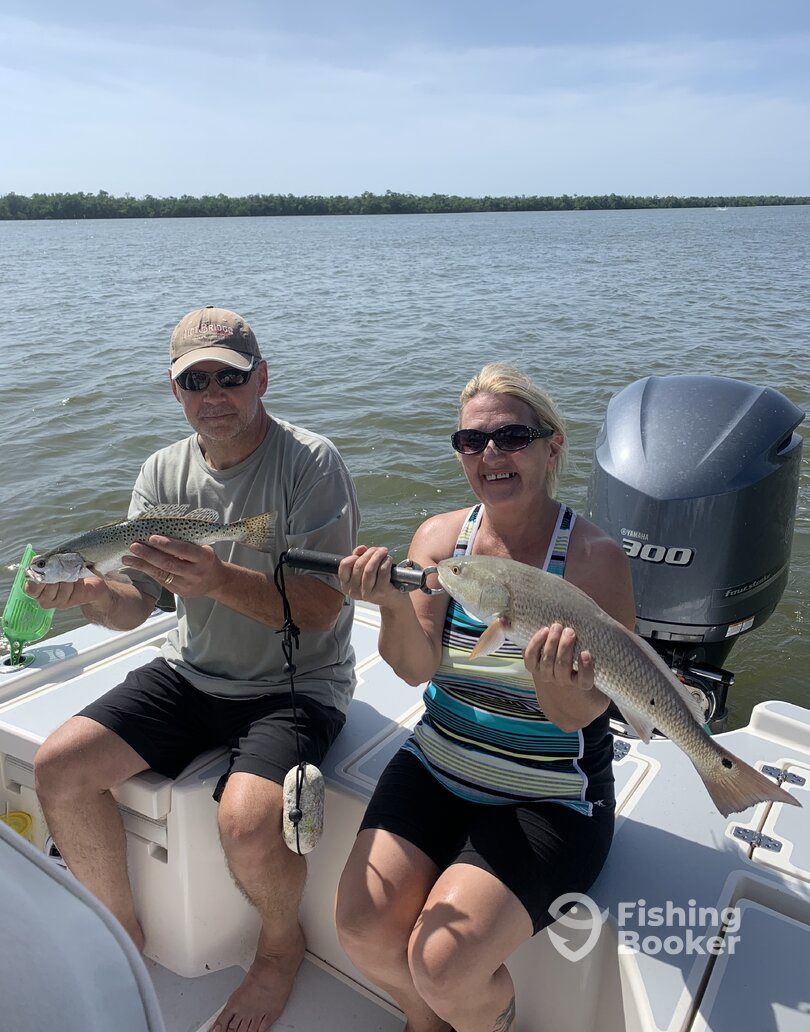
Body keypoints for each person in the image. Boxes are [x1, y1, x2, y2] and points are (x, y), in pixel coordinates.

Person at [27, 306, 359, 1032]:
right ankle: (122, 936)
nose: (214, 395)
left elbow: (321, 609)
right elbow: (134, 607)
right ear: (174, 390)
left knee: (247, 821)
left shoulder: (312, 463)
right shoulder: (160, 472)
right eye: (195, 381)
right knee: (59, 766)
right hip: (191, 671)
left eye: (230, 378)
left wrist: (217, 581)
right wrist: (90, 594)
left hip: (295, 683)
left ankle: (281, 947)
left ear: (262, 379)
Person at [335, 363, 635, 1032]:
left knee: (445, 963)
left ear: (552, 447)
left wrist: (556, 683)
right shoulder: (443, 543)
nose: (491, 454)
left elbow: (585, 716)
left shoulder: (595, 560)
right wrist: (389, 604)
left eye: (512, 436)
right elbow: (414, 669)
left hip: (551, 792)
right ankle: (427, 1022)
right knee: (359, 926)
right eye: (472, 441)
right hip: (439, 763)